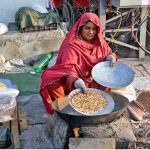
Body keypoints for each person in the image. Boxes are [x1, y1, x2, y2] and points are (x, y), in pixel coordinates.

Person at [40, 13, 145, 121]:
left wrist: (111, 57)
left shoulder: (100, 42)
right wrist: (75, 80)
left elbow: (109, 55)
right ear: (81, 28)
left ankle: (106, 102)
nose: (91, 32)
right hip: (75, 84)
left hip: (96, 83)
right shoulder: (72, 45)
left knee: (118, 83)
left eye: (94, 29)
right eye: (87, 28)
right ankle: (65, 106)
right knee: (49, 77)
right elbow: (67, 68)